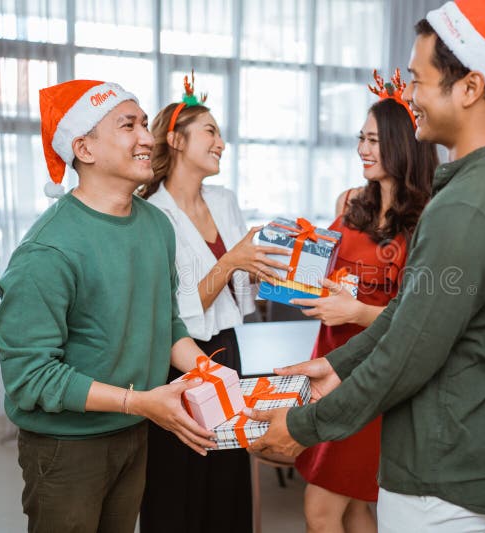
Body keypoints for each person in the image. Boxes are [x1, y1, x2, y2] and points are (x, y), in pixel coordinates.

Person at [245, 0, 485, 531]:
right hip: (456, 452)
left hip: (440, 466)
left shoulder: (465, 208)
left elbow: (410, 351)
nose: (408, 95)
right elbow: (415, 316)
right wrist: (339, 363)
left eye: (418, 78)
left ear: (470, 87)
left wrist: (303, 426)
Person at [0, 79, 216, 533]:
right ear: (85, 148)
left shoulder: (156, 225)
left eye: (143, 124)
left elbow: (166, 321)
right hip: (66, 447)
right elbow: (30, 377)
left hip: (134, 430)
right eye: (127, 125)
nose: (147, 138)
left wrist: (209, 374)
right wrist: (138, 402)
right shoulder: (48, 249)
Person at [138, 71, 290, 533]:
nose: (222, 143)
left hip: (227, 347)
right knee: (178, 478)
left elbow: (238, 296)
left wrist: (268, 272)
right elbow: (172, 313)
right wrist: (231, 262)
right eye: (211, 131)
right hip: (177, 359)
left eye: (221, 134)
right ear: (176, 140)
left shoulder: (224, 200)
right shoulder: (152, 214)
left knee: (226, 474)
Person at [289, 70, 437, 533]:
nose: (362, 150)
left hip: (376, 372)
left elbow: (420, 318)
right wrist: (300, 281)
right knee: (355, 505)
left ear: (402, 142)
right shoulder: (349, 200)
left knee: (321, 507)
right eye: (361, 138)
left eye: (374, 139)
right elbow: (323, 275)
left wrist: (354, 312)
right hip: (331, 355)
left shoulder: (428, 219)